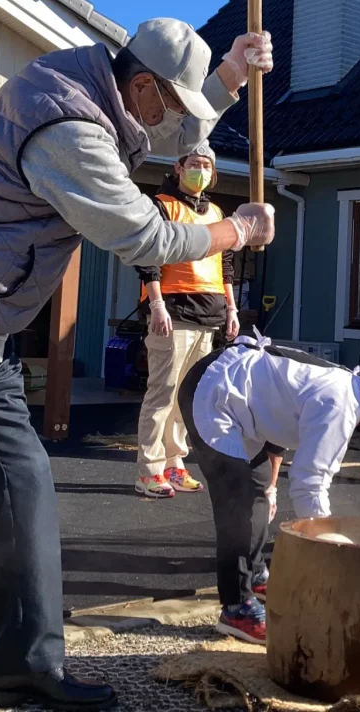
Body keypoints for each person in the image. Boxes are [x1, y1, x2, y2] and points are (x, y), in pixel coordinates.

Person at [0, 17, 275, 710]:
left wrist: (229, 75)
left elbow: (167, 135)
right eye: (173, 102)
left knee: (25, 498)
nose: (177, 126)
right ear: (140, 86)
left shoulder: (102, 99)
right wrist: (235, 230)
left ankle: (22, 665)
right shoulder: (66, 127)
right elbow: (142, 235)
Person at [178, 333, 360, 644]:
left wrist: (271, 485)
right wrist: (327, 550)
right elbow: (310, 483)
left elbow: (279, 424)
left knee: (257, 494)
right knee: (240, 504)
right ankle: (236, 608)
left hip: (238, 397)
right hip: (214, 392)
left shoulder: (347, 387)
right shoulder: (341, 405)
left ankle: (255, 573)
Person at [135, 141, 240, 497]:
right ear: (178, 168)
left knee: (186, 396)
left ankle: (174, 463)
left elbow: (225, 264)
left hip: (208, 314)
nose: (201, 171)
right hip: (174, 311)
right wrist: (157, 305)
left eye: (207, 166)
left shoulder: (217, 213)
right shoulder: (161, 207)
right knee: (161, 392)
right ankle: (148, 470)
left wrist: (232, 309)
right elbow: (148, 255)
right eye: (194, 163)